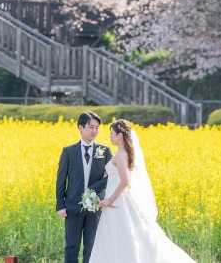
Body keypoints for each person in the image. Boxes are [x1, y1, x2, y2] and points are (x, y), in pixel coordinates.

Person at [89, 119, 195, 262]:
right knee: (120, 237)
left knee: (119, 237)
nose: (110, 137)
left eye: (112, 133)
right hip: (120, 200)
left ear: (120, 135)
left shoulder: (120, 155)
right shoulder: (122, 153)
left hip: (117, 202)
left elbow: (125, 181)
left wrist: (109, 199)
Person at [56, 111, 113, 263]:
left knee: (91, 247)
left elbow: (112, 177)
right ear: (81, 128)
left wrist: (93, 188)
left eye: (97, 128)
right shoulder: (68, 151)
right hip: (72, 206)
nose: (94, 131)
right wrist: (60, 205)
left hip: (95, 207)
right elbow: (61, 180)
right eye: (91, 127)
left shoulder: (104, 151)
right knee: (71, 246)